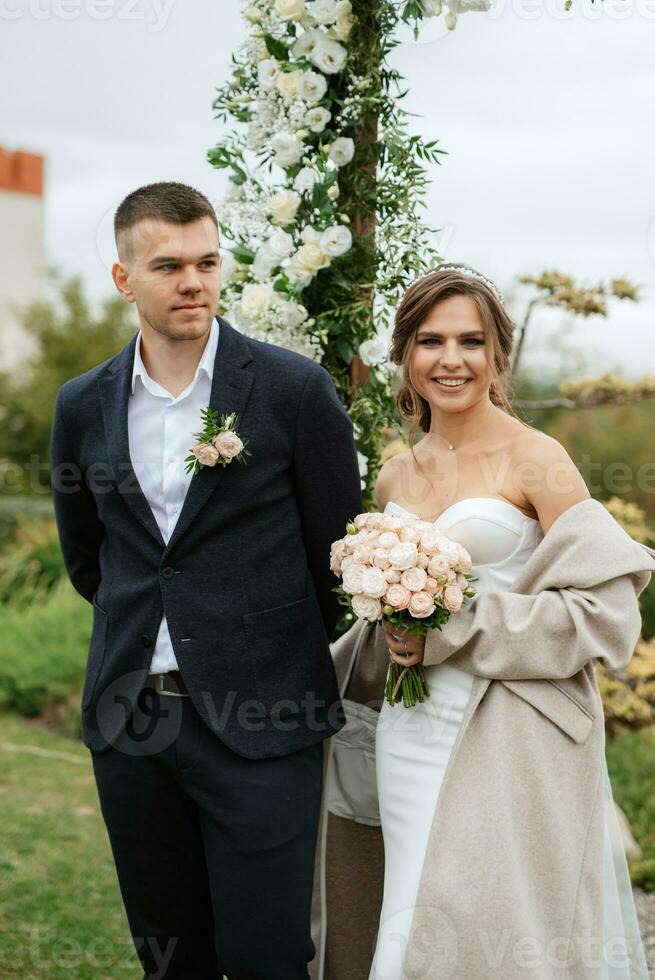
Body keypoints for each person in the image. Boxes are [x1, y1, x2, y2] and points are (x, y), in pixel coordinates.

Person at [50, 181, 362, 979]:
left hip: (264, 721)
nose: (193, 281)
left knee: (266, 955)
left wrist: (258, 646)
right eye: (167, 266)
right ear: (124, 280)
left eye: (207, 262)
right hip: (132, 724)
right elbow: (91, 557)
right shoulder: (82, 405)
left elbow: (338, 552)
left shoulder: (292, 391)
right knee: (170, 958)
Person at [308, 263, 653, 980]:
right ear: (403, 354)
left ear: (498, 354)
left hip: (507, 736)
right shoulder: (395, 476)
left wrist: (452, 629)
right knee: (408, 915)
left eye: (470, 341)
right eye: (430, 341)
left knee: (485, 926)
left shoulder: (539, 460)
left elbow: (604, 615)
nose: (450, 360)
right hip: (407, 733)